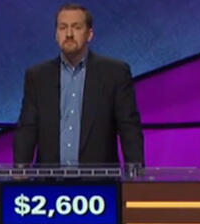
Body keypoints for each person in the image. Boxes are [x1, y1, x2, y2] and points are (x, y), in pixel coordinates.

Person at [13, 3, 144, 167]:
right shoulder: (37, 76)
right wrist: (20, 170)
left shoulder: (115, 73)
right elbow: (27, 129)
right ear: (56, 34)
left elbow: (128, 128)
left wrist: (135, 174)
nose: (68, 34)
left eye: (76, 27)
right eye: (63, 28)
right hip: (50, 180)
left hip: (99, 180)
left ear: (89, 34)